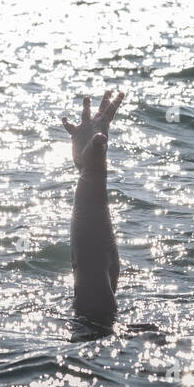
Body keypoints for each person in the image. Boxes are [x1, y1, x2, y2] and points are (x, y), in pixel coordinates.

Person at [61, 90, 125, 326]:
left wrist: (92, 171)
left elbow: (95, 272)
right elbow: (96, 268)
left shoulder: (96, 318)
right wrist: (91, 171)